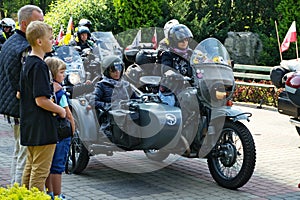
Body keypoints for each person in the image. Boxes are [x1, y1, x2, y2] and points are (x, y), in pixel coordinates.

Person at [0, 5, 44, 186]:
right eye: (39, 22)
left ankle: (13, 189)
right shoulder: (25, 47)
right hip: (23, 109)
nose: (43, 26)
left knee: (19, 153)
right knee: (25, 157)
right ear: (25, 24)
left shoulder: (11, 41)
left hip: (13, 108)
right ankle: (18, 192)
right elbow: (25, 84)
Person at [20, 21, 66, 192]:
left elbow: (21, 93)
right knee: (40, 173)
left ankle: (23, 196)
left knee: (30, 168)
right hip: (42, 127)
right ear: (39, 41)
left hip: (30, 125)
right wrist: (60, 110)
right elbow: (41, 100)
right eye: (50, 38)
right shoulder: (39, 65)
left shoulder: (27, 63)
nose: (53, 41)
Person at [45, 56, 75, 200]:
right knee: (57, 167)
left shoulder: (47, 90)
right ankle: (58, 195)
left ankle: (49, 193)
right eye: (62, 72)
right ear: (53, 73)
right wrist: (73, 128)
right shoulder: (60, 92)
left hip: (48, 132)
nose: (64, 75)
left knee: (48, 166)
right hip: (62, 134)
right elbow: (67, 113)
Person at [88, 55, 138, 138]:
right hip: (110, 118)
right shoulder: (102, 85)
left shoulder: (126, 84)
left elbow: (136, 99)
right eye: (113, 70)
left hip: (127, 114)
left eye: (119, 68)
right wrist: (109, 106)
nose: (117, 72)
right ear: (107, 71)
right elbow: (93, 101)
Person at [158, 24, 194, 106]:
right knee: (171, 111)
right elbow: (165, 69)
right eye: (181, 40)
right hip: (171, 89)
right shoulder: (167, 54)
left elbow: (201, 61)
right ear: (174, 41)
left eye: (186, 39)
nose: (184, 42)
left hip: (189, 88)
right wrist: (174, 74)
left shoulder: (191, 53)